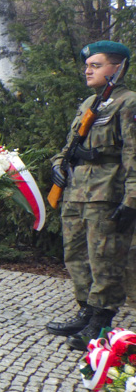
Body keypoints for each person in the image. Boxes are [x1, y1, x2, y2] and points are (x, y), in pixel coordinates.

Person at [46, 40, 136, 350]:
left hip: (106, 193)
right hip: (76, 192)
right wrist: (57, 166)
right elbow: (67, 147)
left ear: (117, 68)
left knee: (104, 259)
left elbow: (133, 153)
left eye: (96, 65)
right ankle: (85, 311)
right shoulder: (88, 103)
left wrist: (132, 200)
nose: (88, 70)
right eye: (87, 65)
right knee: (76, 256)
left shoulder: (129, 103)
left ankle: (101, 321)